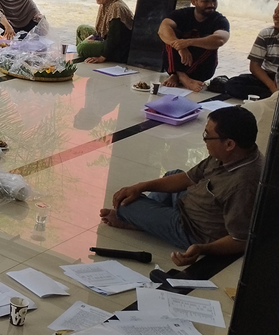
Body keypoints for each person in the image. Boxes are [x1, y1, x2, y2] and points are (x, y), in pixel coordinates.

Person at [99, 107, 262, 266]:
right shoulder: (232, 154)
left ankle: (138, 222)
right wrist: (140, 187)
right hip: (190, 203)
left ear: (229, 144)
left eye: (208, 136)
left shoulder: (243, 184)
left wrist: (202, 248)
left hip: (192, 229)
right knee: (173, 174)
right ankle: (146, 221)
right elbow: (188, 178)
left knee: (126, 206)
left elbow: (240, 240)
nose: (204, 140)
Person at [158, 0, 231, 92]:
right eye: (206, 1)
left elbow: (220, 39)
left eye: (214, 1)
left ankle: (177, 75)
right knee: (170, 36)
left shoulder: (220, 20)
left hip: (201, 70)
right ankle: (181, 76)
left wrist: (188, 42)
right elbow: (162, 29)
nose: (211, 5)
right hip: (177, 63)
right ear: (193, 2)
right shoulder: (182, 14)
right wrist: (180, 47)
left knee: (210, 40)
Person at [224, 0, 279, 99]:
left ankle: (278, 97)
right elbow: (254, 66)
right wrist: (272, 87)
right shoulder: (266, 34)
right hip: (268, 78)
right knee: (233, 83)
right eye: (274, 12)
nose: (275, 16)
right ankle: (276, 97)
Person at [76, 0, 135, 64]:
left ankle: (86, 52)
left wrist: (102, 58)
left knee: (83, 48)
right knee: (82, 29)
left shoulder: (116, 7)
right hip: (105, 39)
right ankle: (87, 52)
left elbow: (114, 38)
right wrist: (94, 37)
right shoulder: (105, 5)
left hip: (118, 50)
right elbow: (101, 31)